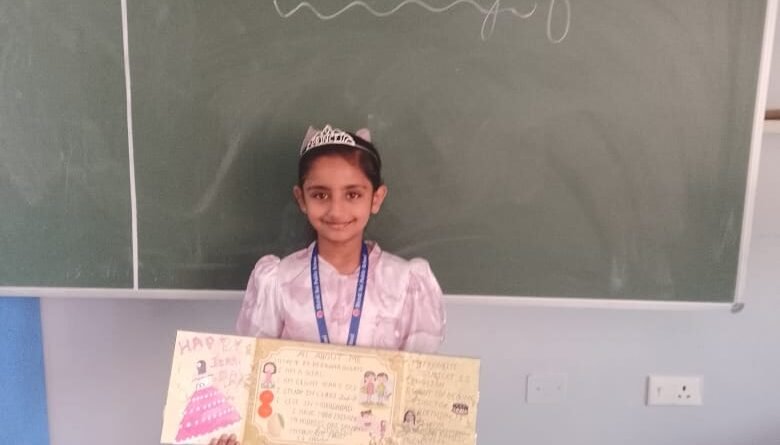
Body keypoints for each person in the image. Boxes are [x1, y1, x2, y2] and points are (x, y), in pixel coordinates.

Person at [213, 124, 446, 445]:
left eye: (353, 194)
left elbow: (419, 386)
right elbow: (251, 375)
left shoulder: (406, 283)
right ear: (301, 198)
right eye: (320, 195)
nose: (336, 210)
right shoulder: (278, 281)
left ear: (376, 198)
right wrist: (232, 433)